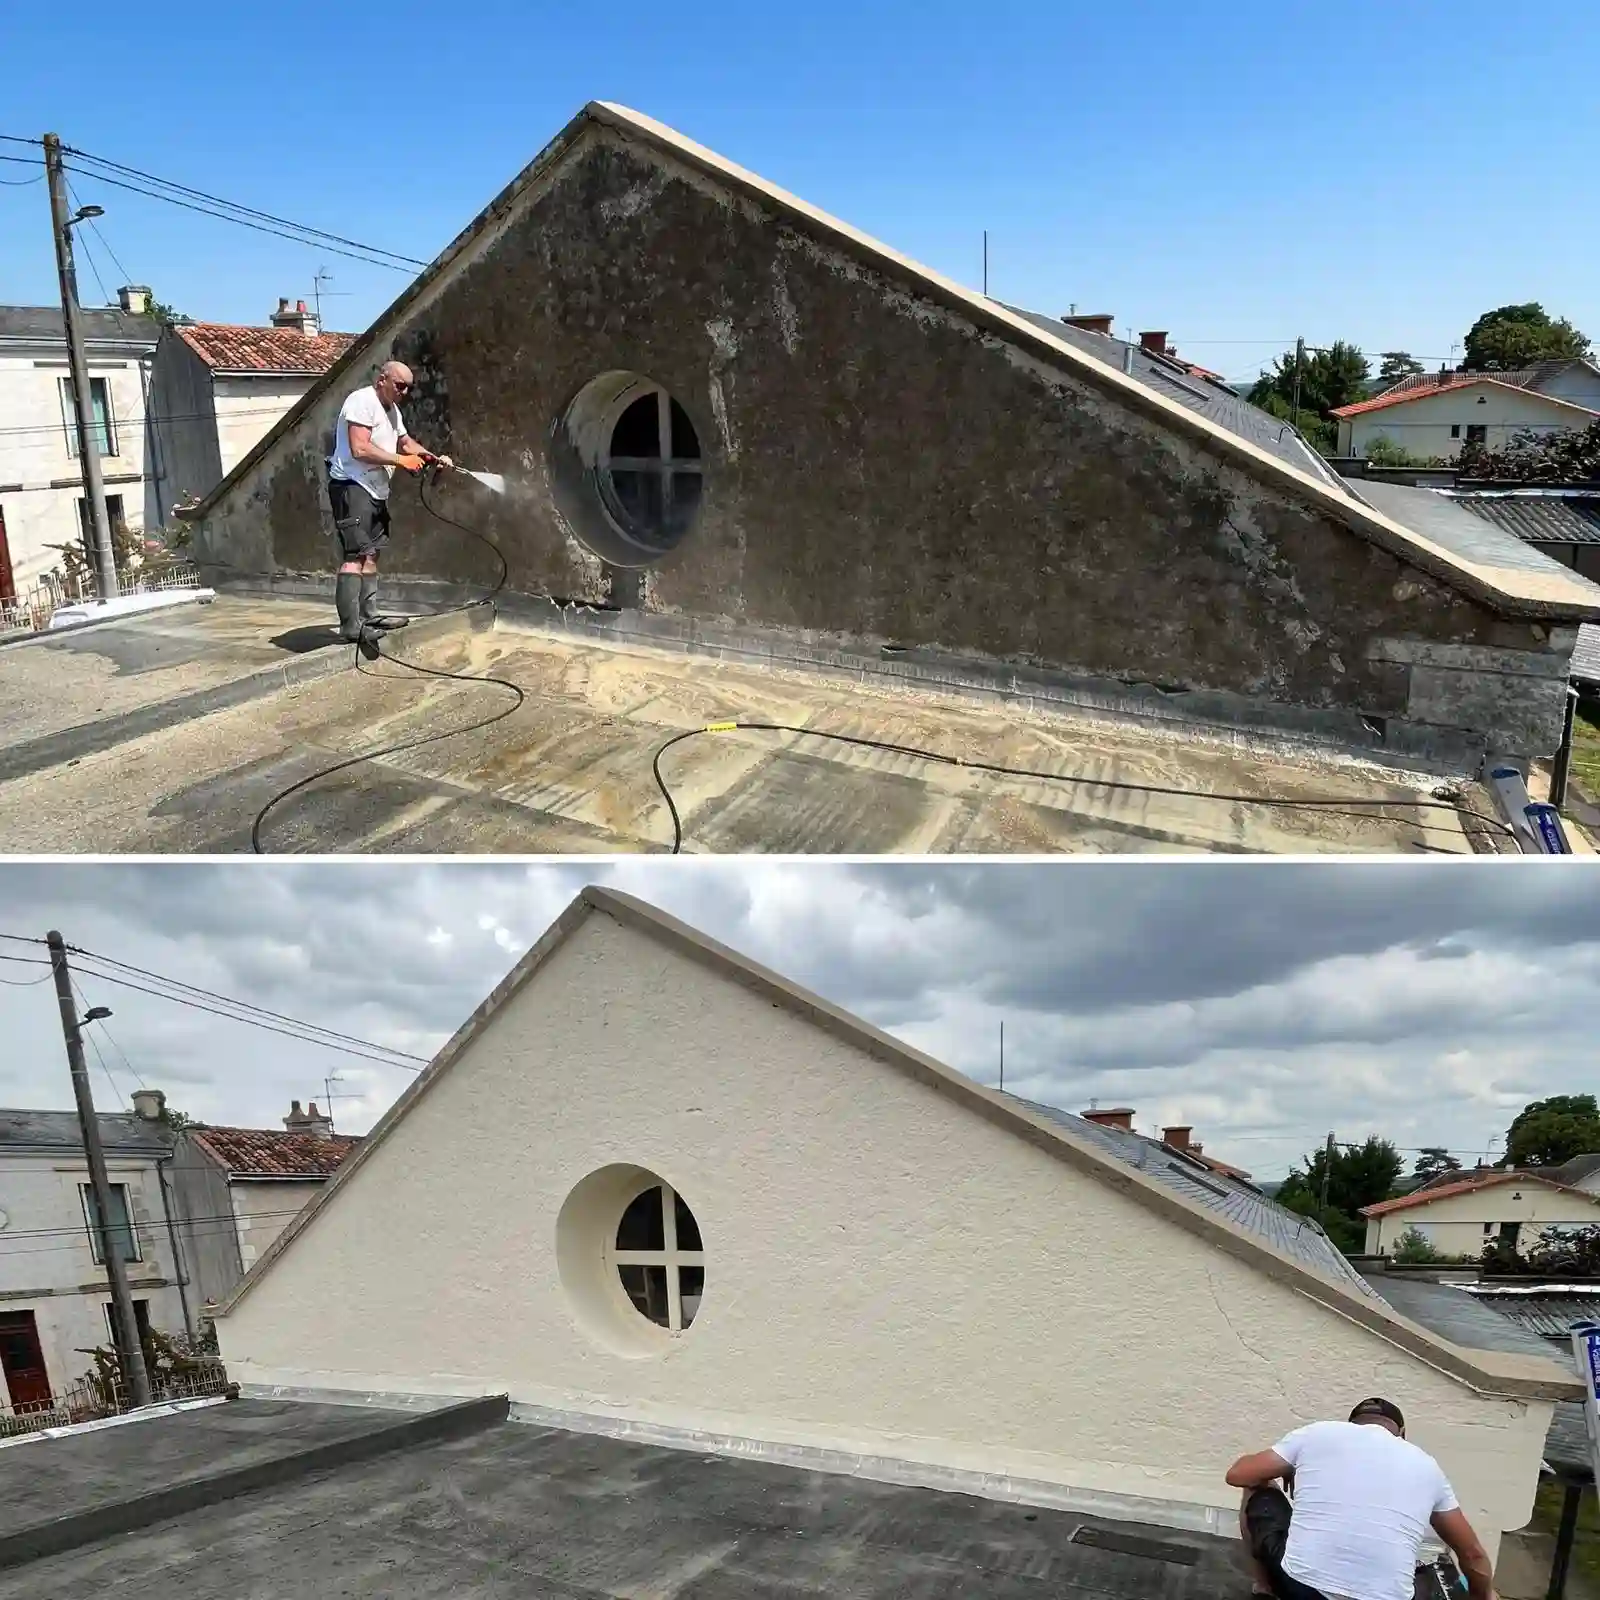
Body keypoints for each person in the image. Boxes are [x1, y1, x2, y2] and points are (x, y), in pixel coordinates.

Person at [1226, 1398, 1497, 1600]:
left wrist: (1292, 1467)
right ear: (1401, 1432)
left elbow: (1238, 1474)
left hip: (1305, 1590)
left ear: (1351, 1424)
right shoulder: (1428, 1466)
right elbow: (1472, 1554)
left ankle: (1266, 1590)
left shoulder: (1319, 1433)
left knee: (1257, 1483)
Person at [326, 361, 452, 644]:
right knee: (355, 555)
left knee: (372, 554)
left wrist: (432, 457)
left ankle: (369, 615)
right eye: (399, 385)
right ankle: (350, 626)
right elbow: (359, 448)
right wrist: (400, 461)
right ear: (382, 379)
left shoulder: (392, 410)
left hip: (376, 491)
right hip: (352, 486)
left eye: (408, 387)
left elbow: (406, 444)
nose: (404, 392)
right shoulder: (361, 401)